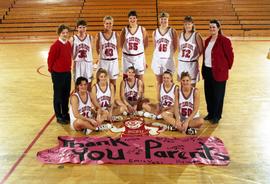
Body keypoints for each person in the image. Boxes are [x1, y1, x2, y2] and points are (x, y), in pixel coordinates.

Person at [202, 19, 234, 124]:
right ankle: (210, 113)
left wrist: (225, 68)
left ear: (218, 28)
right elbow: (205, 57)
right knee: (209, 94)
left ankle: (217, 115)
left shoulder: (224, 40)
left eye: (214, 27)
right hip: (207, 70)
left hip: (219, 72)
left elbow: (230, 57)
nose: (212, 29)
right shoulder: (207, 40)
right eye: (210, 27)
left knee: (218, 95)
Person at [47, 24, 72, 124]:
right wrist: (52, 71)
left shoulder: (68, 44)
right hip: (58, 74)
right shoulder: (55, 45)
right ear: (59, 33)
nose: (65, 34)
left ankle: (65, 113)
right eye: (63, 33)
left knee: (66, 94)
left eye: (66, 33)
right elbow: (50, 60)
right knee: (58, 95)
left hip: (67, 72)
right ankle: (58, 116)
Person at [120, 10, 148, 81]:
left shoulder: (142, 29)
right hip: (127, 57)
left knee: (140, 79)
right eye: (130, 18)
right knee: (126, 79)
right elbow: (121, 44)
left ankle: (140, 92)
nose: (132, 20)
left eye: (134, 18)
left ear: (137, 19)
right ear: (128, 19)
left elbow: (146, 44)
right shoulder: (124, 30)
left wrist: (143, 58)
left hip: (138, 57)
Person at [151, 12, 177, 87]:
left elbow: (175, 46)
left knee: (170, 80)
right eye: (161, 19)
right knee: (159, 81)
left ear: (168, 20)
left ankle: (170, 97)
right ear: (159, 20)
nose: (163, 21)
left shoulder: (172, 31)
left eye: (165, 19)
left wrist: (168, 55)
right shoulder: (155, 32)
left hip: (168, 60)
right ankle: (159, 98)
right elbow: (155, 46)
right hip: (158, 59)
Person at [96, 16, 119, 93]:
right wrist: (100, 57)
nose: (108, 25)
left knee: (113, 82)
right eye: (106, 23)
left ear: (112, 24)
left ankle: (112, 99)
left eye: (110, 23)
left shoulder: (116, 35)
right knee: (100, 81)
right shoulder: (99, 35)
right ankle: (101, 97)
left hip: (113, 62)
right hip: (103, 61)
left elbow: (118, 48)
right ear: (104, 24)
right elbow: (97, 48)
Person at [178, 16, 203, 86]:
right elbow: (179, 49)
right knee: (182, 86)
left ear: (192, 24)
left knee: (192, 86)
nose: (187, 26)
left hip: (192, 64)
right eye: (185, 24)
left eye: (189, 24)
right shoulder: (180, 35)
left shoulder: (196, 35)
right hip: (182, 63)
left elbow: (201, 50)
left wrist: (196, 58)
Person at [70, 19, 94, 91]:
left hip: (88, 63)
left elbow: (91, 50)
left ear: (86, 28)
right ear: (77, 28)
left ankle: (88, 99)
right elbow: (70, 53)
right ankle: (77, 99)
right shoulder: (73, 39)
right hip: (78, 63)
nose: (82, 29)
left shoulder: (90, 37)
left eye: (84, 27)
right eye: (80, 27)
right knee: (77, 83)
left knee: (89, 82)